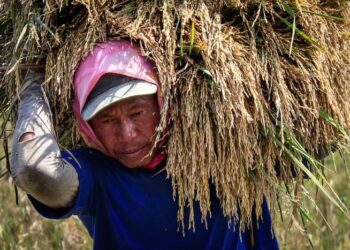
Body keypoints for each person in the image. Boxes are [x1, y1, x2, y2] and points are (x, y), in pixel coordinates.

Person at [10, 40, 279, 249]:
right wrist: (34, 81)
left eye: (137, 113)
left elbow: (316, 147)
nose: (126, 134)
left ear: (162, 103)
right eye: (106, 120)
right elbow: (33, 169)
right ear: (87, 127)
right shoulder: (97, 176)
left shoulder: (221, 148)